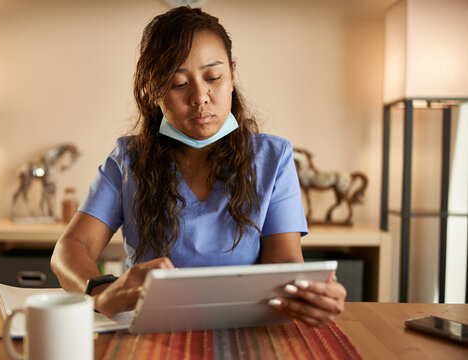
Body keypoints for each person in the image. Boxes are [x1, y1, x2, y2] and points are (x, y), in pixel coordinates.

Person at [51, 6, 346, 327]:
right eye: (178, 83)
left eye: (213, 77)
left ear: (232, 75)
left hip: (244, 331)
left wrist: (309, 295)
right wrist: (101, 291)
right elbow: (70, 248)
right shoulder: (128, 159)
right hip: (152, 333)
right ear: (152, 90)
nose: (200, 97)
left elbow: (286, 264)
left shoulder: (272, 158)